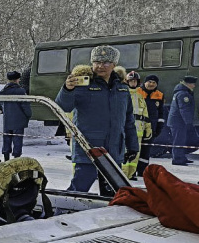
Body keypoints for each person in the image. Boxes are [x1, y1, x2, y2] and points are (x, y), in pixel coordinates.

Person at [56, 45, 138, 196]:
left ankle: (109, 219)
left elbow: (128, 121)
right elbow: (63, 106)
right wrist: (67, 89)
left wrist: (133, 146)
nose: (101, 66)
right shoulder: (82, 84)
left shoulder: (122, 88)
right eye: (97, 62)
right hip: (88, 148)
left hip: (114, 149)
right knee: (79, 188)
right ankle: (61, 214)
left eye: (106, 62)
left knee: (113, 192)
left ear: (114, 65)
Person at [119, 70, 151, 179]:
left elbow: (145, 114)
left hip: (139, 131)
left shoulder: (140, 96)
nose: (133, 83)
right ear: (127, 82)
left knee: (136, 154)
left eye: (135, 81)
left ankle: (131, 174)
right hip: (126, 129)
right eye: (131, 81)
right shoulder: (123, 94)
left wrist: (148, 127)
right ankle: (123, 174)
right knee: (125, 152)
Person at [136, 74, 166, 176]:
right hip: (137, 125)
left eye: (154, 83)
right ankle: (130, 171)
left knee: (146, 150)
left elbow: (161, 113)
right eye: (149, 82)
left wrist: (159, 128)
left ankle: (142, 171)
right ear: (145, 82)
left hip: (151, 127)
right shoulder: (137, 91)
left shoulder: (159, 95)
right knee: (134, 148)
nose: (151, 84)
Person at [0, 71, 32, 160]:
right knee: (17, 140)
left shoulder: (3, 91)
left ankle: (6, 157)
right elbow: (25, 106)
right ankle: (16, 157)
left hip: (7, 119)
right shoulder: (20, 91)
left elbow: (0, 105)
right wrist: (29, 115)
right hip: (19, 119)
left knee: (7, 138)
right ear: (17, 80)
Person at [167, 75, 198, 166]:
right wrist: (189, 123)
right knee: (178, 140)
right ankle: (177, 159)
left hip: (178, 122)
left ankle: (181, 157)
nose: (194, 86)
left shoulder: (181, 92)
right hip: (178, 122)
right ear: (188, 84)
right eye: (193, 84)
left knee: (181, 140)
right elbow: (184, 109)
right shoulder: (183, 94)